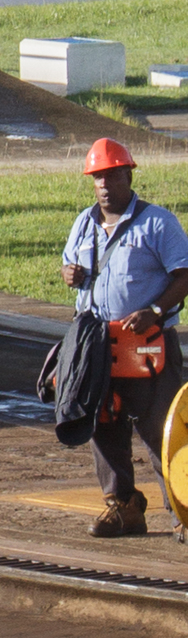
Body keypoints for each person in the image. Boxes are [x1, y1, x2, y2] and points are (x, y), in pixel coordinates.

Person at [61, 135, 188, 538]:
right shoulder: (84, 223)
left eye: (111, 176)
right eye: (97, 177)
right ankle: (123, 507)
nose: (103, 184)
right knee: (103, 424)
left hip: (150, 348)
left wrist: (153, 311)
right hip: (99, 347)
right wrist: (70, 274)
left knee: (162, 429)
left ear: (127, 175)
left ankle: (182, 509)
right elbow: (68, 265)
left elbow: (183, 276)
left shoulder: (158, 223)